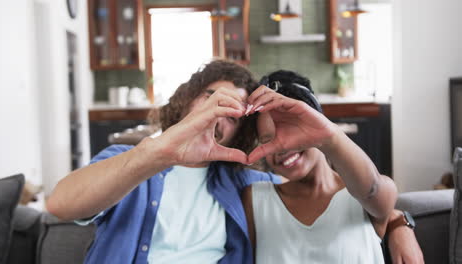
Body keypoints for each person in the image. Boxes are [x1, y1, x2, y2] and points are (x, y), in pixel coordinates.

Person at [47, 60, 421, 264]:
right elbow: (61, 203)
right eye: (211, 98)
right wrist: (160, 150)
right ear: (187, 100)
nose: (216, 112)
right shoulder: (129, 163)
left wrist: (398, 221)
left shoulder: (244, 185)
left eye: (232, 111)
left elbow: (333, 194)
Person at [241, 70, 424, 263]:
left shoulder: (364, 196)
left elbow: (374, 189)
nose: (282, 147)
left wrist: (331, 138)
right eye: (267, 140)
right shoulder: (255, 199)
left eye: (290, 131)